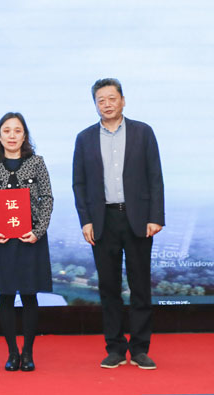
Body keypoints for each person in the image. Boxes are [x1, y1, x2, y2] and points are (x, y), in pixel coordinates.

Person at [72, 78, 164, 370]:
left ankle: (139, 349)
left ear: (123, 100)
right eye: (101, 100)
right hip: (103, 220)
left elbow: (155, 176)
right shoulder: (84, 138)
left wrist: (155, 216)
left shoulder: (143, 132)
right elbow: (79, 183)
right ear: (95, 104)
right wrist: (86, 220)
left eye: (112, 98)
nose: (107, 104)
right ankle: (114, 348)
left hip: (138, 219)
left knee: (140, 286)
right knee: (108, 287)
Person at [0, 112, 53, 372]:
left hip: (30, 238)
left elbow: (46, 198)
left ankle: (28, 352)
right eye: (7, 131)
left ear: (25, 136)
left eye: (17, 131)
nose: (12, 136)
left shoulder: (37, 162)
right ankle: (12, 353)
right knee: (6, 296)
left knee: (29, 295)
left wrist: (38, 230)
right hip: (1, 240)